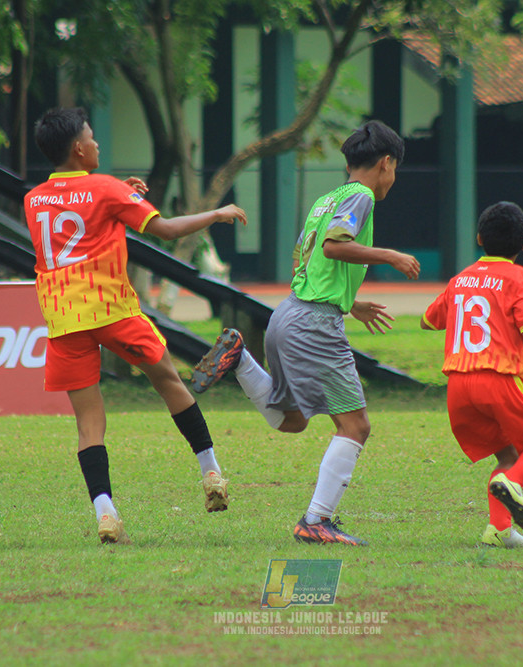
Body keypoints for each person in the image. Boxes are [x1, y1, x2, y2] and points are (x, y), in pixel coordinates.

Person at [191, 120, 420, 546]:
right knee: (355, 426)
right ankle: (316, 520)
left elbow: (309, 257)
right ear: (386, 163)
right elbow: (334, 246)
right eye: (395, 170)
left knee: (291, 421)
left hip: (289, 314)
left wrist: (349, 303)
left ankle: (240, 358)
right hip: (314, 324)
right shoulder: (362, 195)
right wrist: (390, 255)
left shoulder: (326, 199)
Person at [25, 107, 248, 543]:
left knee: (89, 425)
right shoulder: (105, 189)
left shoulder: (34, 199)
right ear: (78, 148)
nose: (97, 144)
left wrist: (116, 195)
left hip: (63, 319)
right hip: (112, 310)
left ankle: (106, 514)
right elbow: (164, 229)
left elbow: (78, 218)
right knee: (169, 382)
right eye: (92, 138)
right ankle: (212, 474)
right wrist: (214, 215)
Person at [421, 201, 523, 549]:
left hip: (459, 388)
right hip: (500, 380)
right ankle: (515, 483)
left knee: (507, 455)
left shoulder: (461, 278)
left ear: (478, 238)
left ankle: (499, 531)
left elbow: (428, 320)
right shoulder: (520, 278)